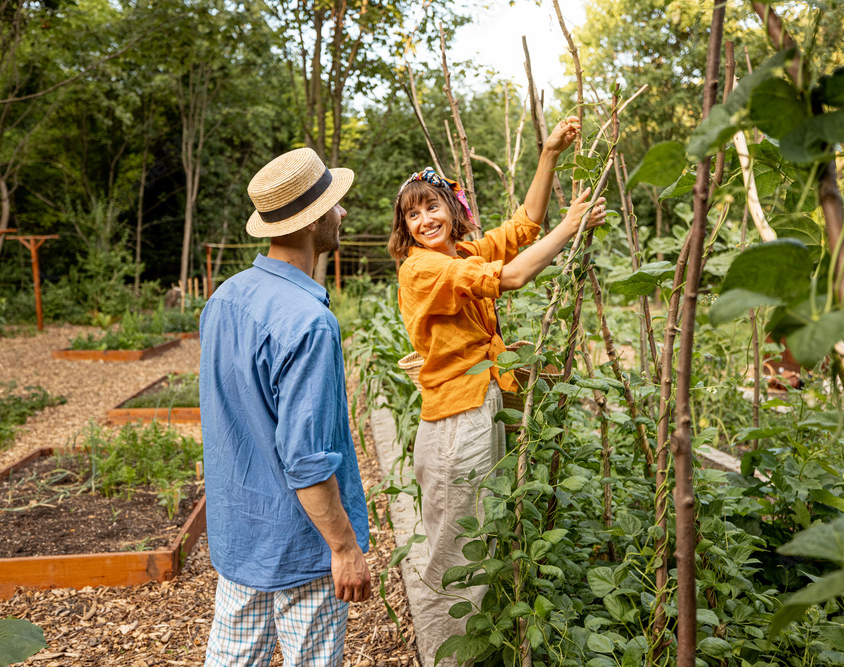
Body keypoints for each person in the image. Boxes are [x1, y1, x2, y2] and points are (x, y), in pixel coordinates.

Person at [386, 117, 607, 666]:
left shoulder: (460, 254)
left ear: (451, 209)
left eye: (431, 206)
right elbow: (511, 276)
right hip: (453, 421)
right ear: (405, 228)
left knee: (481, 530)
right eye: (412, 214)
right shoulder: (423, 269)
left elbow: (524, 225)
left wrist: (549, 153)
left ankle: (469, 652)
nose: (424, 219)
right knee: (455, 544)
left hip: (479, 406)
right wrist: (572, 228)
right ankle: (443, 654)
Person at [200, 147, 371, 667]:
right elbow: (305, 458)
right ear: (313, 220)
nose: (342, 213)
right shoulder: (308, 321)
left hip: (239, 534)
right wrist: (343, 548)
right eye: (335, 205)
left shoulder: (224, 298)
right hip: (303, 545)